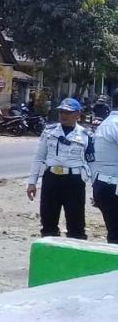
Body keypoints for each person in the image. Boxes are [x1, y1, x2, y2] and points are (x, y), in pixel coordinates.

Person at [26, 98, 93, 240]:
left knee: (76, 225)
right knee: (48, 223)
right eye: (61, 112)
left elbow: (92, 163)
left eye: (68, 112)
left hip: (74, 181)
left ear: (77, 114)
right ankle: (49, 256)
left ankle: (75, 258)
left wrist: (96, 187)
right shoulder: (49, 132)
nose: (63, 115)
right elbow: (38, 157)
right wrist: (32, 182)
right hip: (52, 179)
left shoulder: (85, 135)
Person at [92, 94, 118, 244]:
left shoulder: (108, 123)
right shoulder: (115, 124)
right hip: (112, 186)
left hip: (103, 184)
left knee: (114, 233)